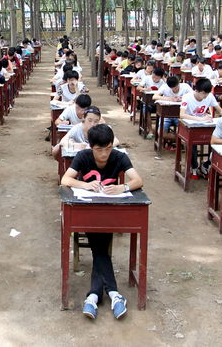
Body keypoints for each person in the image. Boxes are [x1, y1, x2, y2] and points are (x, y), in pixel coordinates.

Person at [60, 124, 143, 319]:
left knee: (99, 248)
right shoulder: (83, 157)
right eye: (99, 149)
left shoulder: (119, 156)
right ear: (91, 147)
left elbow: (138, 181)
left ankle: (94, 296)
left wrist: (122, 188)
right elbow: (66, 180)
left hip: (110, 212)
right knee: (100, 248)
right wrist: (86, 185)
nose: (104, 153)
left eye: (108, 148)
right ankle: (113, 294)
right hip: (88, 211)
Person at [180, 78, 222, 178]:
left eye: (207, 93)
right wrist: (199, 119)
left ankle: (206, 165)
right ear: (197, 91)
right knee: (192, 145)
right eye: (203, 93)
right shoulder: (187, 97)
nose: (205, 96)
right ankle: (194, 167)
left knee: (218, 142)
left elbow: (220, 110)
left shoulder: (209, 96)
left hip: (205, 125)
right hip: (190, 126)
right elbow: (182, 115)